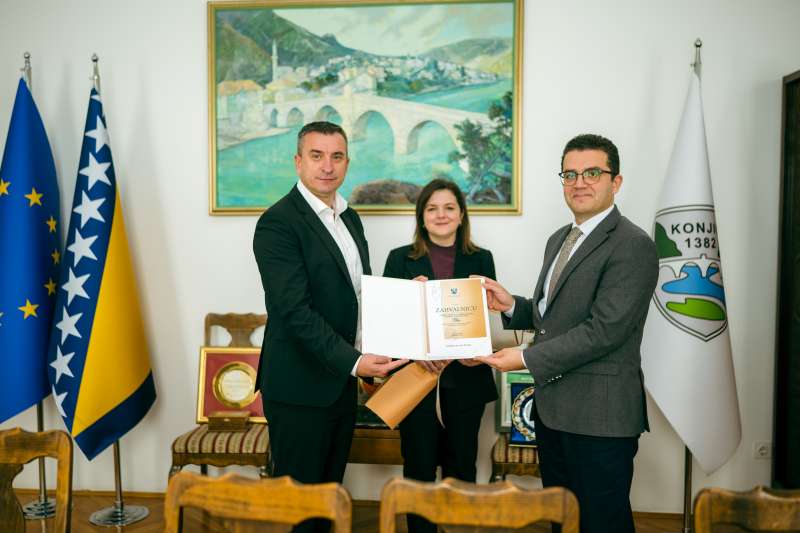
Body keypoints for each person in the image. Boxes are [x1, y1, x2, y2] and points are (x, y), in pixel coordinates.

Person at [478, 134, 658, 533]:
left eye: (592, 173)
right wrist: (512, 306)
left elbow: (604, 331)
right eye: (570, 174)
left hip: (600, 417)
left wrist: (524, 358)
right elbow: (554, 316)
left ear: (616, 181)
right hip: (554, 411)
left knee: (602, 523)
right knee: (563, 519)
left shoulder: (632, 245)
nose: (579, 183)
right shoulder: (559, 239)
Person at [252, 122, 406, 509]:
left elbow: (358, 294)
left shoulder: (349, 217)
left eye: (337, 156)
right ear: (298, 162)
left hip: (339, 384)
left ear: (347, 163)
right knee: (301, 507)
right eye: (316, 156)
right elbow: (294, 311)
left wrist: (408, 297)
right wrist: (355, 362)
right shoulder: (278, 223)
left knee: (329, 497)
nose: (327, 166)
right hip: (299, 389)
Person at [383, 179, 497, 533]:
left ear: (462, 215)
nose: (441, 215)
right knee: (418, 470)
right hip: (415, 383)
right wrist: (407, 299)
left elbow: (483, 319)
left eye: (449, 207)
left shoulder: (482, 259)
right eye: (432, 208)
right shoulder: (399, 259)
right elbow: (387, 325)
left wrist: (474, 351)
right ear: (421, 217)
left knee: (461, 468)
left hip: (466, 382)